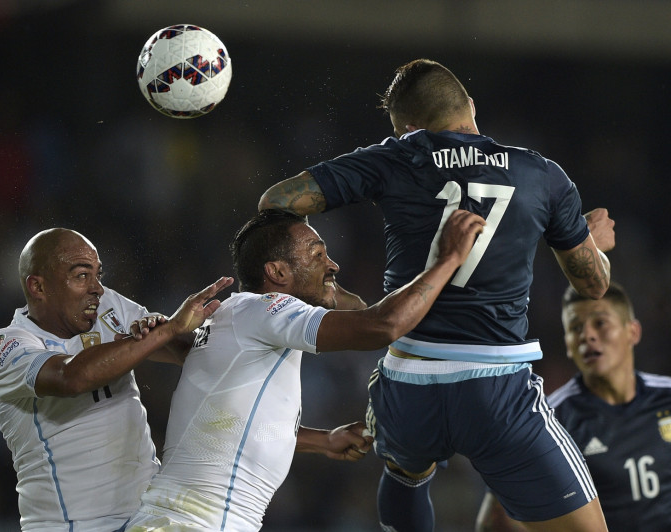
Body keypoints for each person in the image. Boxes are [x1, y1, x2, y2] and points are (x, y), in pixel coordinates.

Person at [258, 59, 613, 531]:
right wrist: (593, 246)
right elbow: (594, 285)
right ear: (470, 106)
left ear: (408, 128)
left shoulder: (394, 158)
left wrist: (322, 282)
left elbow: (276, 202)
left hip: (408, 382)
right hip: (497, 389)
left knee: (406, 468)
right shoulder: (540, 173)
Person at [125, 207, 486, 531]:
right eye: (317, 255)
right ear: (278, 272)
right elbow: (381, 325)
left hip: (182, 520)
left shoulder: (240, 321)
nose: (333, 265)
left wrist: (322, 440)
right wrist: (447, 259)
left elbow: (234, 428)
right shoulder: (267, 309)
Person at [0, 227, 233, 531]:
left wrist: (165, 331)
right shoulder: (4, 347)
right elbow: (70, 377)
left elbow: (190, 355)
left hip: (147, 516)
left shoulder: (108, 306)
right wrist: (167, 330)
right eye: (81, 276)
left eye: (98, 274)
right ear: (38, 287)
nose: (97, 288)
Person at [476, 281, 671, 531]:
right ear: (568, 344)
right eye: (575, 328)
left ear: (632, 332)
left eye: (600, 323)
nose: (587, 335)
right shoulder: (548, 421)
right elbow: (495, 521)